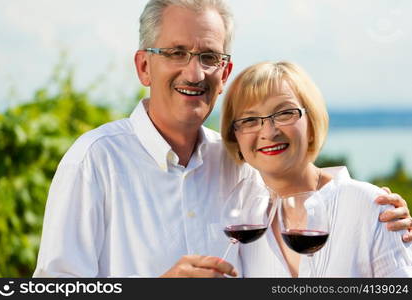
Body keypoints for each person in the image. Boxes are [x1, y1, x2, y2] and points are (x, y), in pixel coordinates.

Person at [33, 0, 412, 278]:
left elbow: (299, 186)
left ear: (225, 71)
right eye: (177, 52)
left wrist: (371, 209)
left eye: (209, 56)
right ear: (144, 66)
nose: (194, 73)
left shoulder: (240, 164)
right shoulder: (95, 161)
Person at [221, 61, 412, 277]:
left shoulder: (372, 206)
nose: (268, 132)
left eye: (284, 113)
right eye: (250, 120)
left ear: (311, 123)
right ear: (235, 137)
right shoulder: (243, 221)